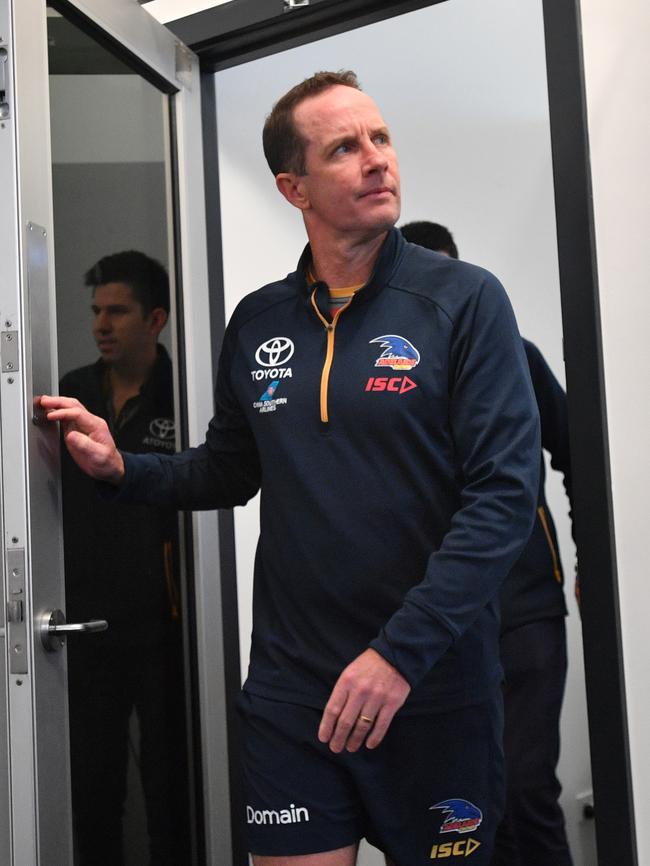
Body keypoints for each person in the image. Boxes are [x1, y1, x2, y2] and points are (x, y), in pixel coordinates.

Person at [43, 72, 541, 866]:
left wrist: (397, 655)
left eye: (381, 139)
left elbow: (504, 498)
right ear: (293, 186)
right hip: (294, 688)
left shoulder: (465, 301)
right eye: (346, 147)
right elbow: (228, 470)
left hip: (430, 685)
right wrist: (122, 468)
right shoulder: (261, 321)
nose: (378, 160)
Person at [400, 220, 574, 866]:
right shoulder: (386, 372)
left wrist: (584, 560)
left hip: (525, 606)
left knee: (528, 789)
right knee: (469, 804)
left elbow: (575, 452)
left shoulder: (515, 356)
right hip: (438, 619)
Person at [59, 251, 189, 866]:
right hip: (84, 626)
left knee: (169, 785)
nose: (101, 325)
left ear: (156, 319)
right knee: (93, 785)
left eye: (118, 311)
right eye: (95, 312)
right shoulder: (71, 396)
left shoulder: (184, 394)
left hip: (164, 628)